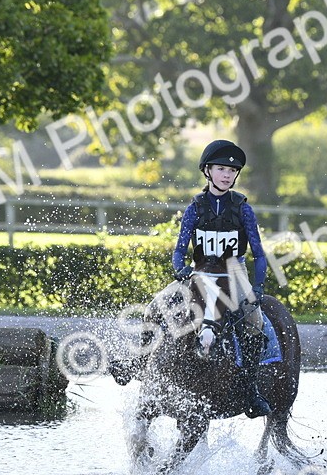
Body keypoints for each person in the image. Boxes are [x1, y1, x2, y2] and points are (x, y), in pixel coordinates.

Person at [110, 139, 272, 418]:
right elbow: (179, 248)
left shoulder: (243, 208)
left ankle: (251, 390)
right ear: (207, 171)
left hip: (234, 274)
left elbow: (259, 253)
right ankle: (138, 361)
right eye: (221, 169)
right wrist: (179, 268)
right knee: (156, 304)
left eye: (232, 171)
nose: (227, 175)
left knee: (254, 323)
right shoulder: (195, 207)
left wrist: (256, 286)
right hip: (198, 272)